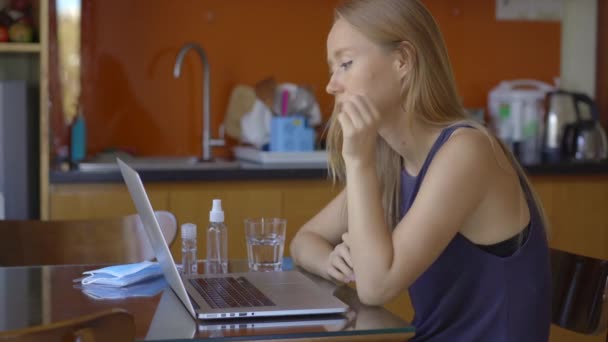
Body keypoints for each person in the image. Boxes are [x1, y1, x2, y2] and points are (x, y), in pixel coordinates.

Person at [289, 0, 551, 341]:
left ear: (402, 61)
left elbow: (376, 287)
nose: (331, 86)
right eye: (332, 68)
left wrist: (358, 161)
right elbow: (303, 241)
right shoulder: (392, 161)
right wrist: (330, 262)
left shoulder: (466, 152)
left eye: (346, 64)